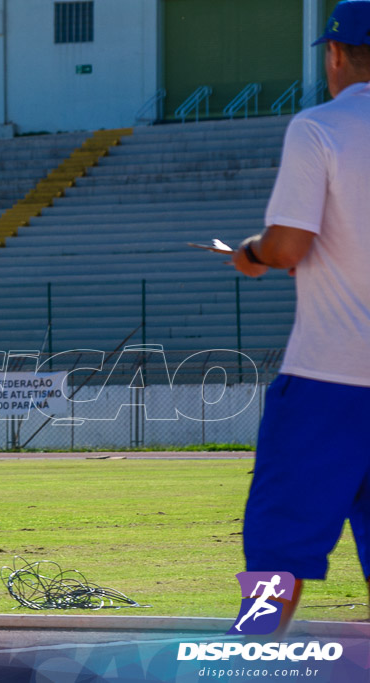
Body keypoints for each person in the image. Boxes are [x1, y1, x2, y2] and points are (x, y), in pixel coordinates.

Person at [232, 0, 370, 633]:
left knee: (276, 556)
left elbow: (288, 246)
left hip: (329, 380)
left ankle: (254, 655)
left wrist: (254, 254)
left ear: (336, 55)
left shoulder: (319, 127)